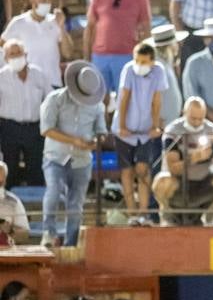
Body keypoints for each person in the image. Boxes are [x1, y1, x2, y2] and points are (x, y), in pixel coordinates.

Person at [39, 60, 107, 247]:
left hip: (82, 159)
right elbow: (46, 129)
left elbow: (102, 131)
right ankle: (49, 233)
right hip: (55, 156)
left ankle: (71, 243)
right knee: (53, 191)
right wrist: (74, 141)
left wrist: (95, 142)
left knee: (76, 203)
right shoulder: (55, 99)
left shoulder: (97, 106)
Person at [153, 96, 213, 226]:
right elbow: (172, 168)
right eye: (193, 118)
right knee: (161, 181)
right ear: (184, 113)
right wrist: (195, 157)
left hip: (203, 182)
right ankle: (166, 215)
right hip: (179, 183)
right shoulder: (173, 131)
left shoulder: (211, 130)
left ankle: (210, 214)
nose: (197, 122)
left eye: (201, 118)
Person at [110, 41, 166, 224]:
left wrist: (155, 126)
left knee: (143, 169)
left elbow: (157, 100)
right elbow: (124, 98)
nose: (139, 65)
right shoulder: (128, 70)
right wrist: (122, 125)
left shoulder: (159, 72)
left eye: (144, 61)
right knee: (127, 171)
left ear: (152, 61)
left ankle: (143, 212)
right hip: (125, 130)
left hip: (145, 130)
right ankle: (132, 212)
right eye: (137, 60)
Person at [84, 0, 152, 95]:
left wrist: (145, 58)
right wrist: (87, 57)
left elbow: (146, 28)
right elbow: (90, 27)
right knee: (99, 98)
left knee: (125, 99)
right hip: (100, 56)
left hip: (127, 56)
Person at [0, 38, 53, 187]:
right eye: (12, 54)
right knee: (10, 166)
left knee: (35, 167)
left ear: (26, 54)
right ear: (6, 58)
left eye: (19, 53)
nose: (16, 57)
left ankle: (35, 204)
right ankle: (9, 205)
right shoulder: (2, 77)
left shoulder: (38, 74)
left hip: (34, 128)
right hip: (9, 127)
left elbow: (50, 99)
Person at [1, 0, 73, 84]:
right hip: (28, 85)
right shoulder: (18, 22)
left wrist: (62, 26)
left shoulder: (56, 21)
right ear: (33, 0)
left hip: (53, 82)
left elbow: (68, 53)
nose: (47, 2)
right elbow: (3, 46)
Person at [146, 24, 185, 129]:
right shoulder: (156, 66)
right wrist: (154, 117)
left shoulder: (166, 63)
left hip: (168, 124)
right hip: (159, 124)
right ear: (170, 45)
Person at [0, 160, 30, 246]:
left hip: (7, 252)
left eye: (0, 183)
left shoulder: (14, 202)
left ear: (5, 182)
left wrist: (10, 230)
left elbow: (25, 235)